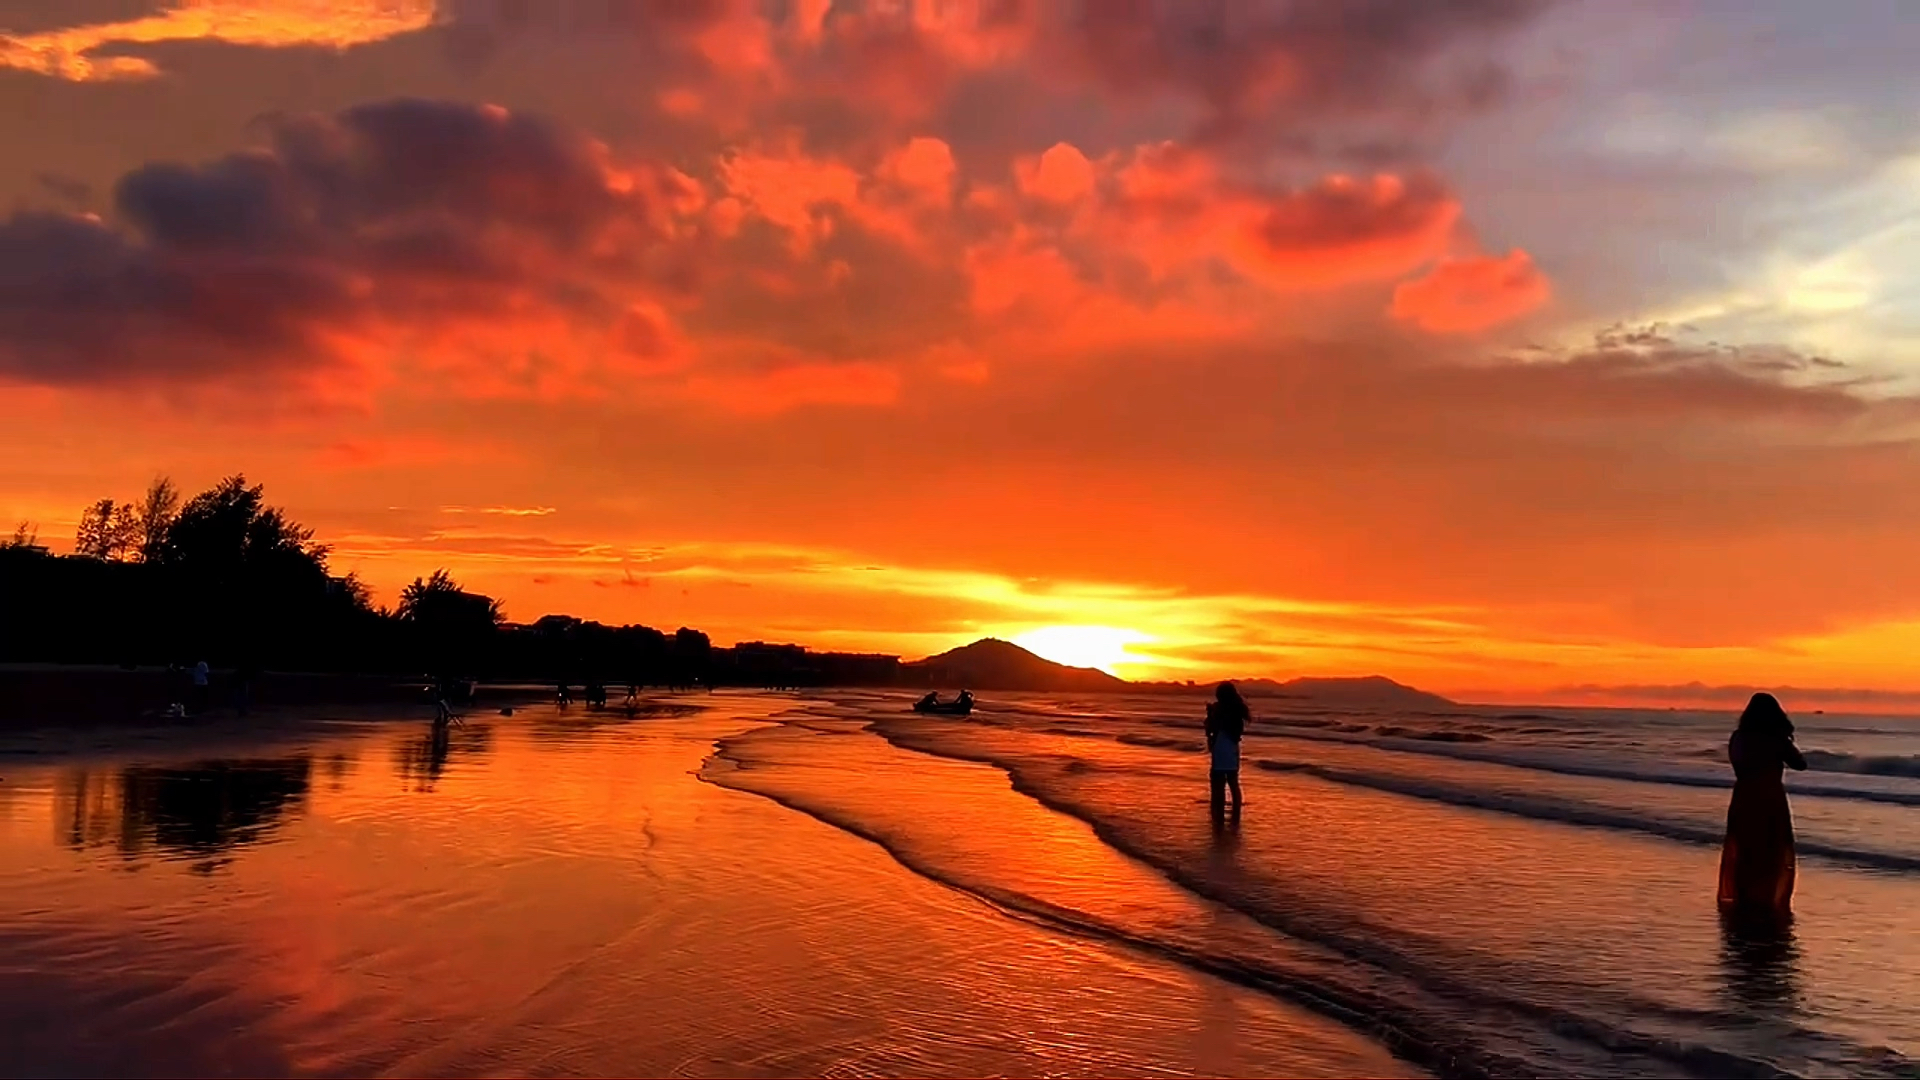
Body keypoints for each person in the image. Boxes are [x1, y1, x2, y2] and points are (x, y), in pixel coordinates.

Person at [1717, 692, 1807, 922]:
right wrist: (1785, 741)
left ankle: (1745, 897)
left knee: (1746, 848)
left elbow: (1737, 762)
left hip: (1744, 796)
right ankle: (1765, 899)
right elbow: (1800, 764)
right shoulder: (1775, 739)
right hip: (1770, 799)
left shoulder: (1739, 737)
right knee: (1771, 849)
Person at [1205, 682, 1249, 817]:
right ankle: (1236, 813)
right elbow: (1237, 734)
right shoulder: (1237, 710)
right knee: (1233, 782)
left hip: (1221, 748)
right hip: (1231, 749)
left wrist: (1211, 715)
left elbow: (1210, 727)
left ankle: (1217, 811)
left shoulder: (1220, 710)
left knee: (1217, 783)